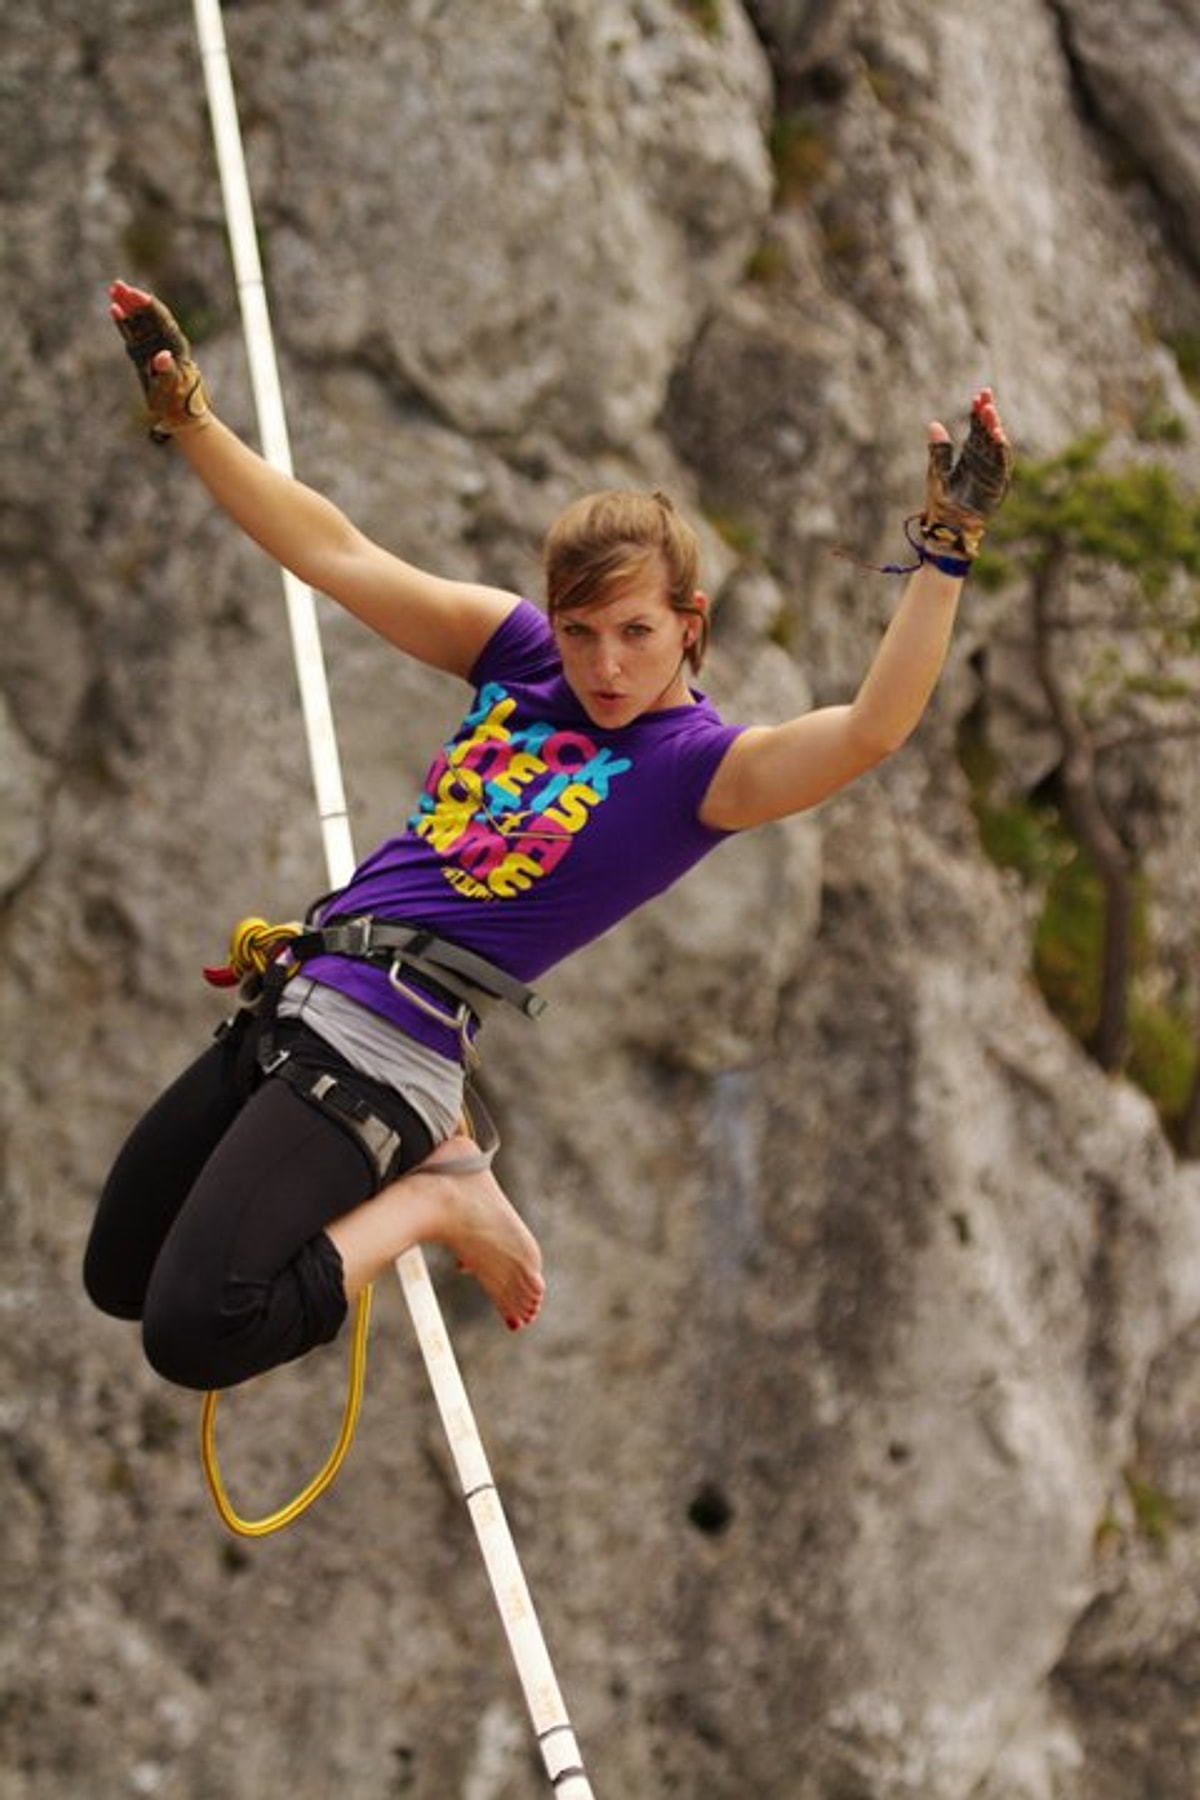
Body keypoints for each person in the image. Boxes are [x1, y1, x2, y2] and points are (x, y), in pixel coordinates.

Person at [84, 280, 1012, 1394]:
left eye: (635, 632)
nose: (605, 665)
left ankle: (439, 1196)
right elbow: (337, 553)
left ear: (691, 625)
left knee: (197, 1331)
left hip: (382, 1054)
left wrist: (948, 549)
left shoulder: (698, 774)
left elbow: (871, 730)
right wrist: (191, 418)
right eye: (582, 632)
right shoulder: (517, 656)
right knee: (119, 1275)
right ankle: (432, 1180)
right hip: (298, 996)